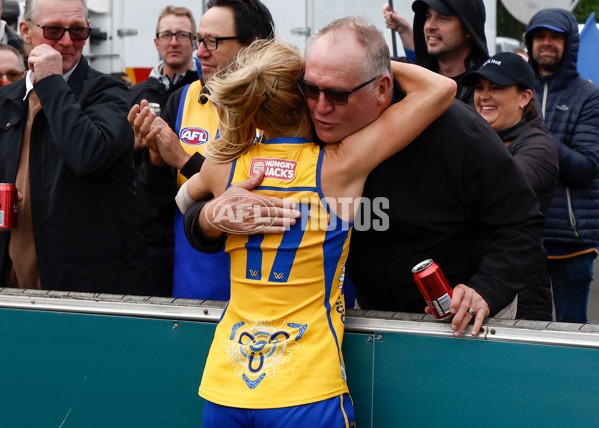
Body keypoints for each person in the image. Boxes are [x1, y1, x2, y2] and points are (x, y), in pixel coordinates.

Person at [184, 16, 546, 337]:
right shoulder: (304, 123)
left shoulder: (456, 132)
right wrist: (210, 220)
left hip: (463, 320)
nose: (321, 108)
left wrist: (486, 288)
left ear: (383, 89)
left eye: (339, 95)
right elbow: (199, 210)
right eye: (311, 89)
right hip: (364, 318)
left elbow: (521, 222)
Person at [170, 27, 455, 425]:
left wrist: (215, 213)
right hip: (305, 384)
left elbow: (183, 201)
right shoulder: (338, 165)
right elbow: (439, 89)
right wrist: (364, 66)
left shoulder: (225, 166)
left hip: (227, 381)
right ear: (301, 99)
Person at [128, 0, 275, 300]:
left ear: (253, 47)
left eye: (212, 42)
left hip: (264, 295)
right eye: (199, 40)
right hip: (192, 290)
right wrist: (155, 159)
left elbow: (262, 202)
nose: (199, 52)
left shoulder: (280, 111)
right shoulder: (182, 99)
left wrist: (184, 160)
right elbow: (155, 210)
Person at [0, 0, 149, 294]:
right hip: (14, 283)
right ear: (25, 32)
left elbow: (87, 155)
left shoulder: (112, 92)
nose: (67, 42)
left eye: (79, 31)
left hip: (86, 290)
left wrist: (52, 81)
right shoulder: (8, 100)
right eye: (54, 31)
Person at [463, 52, 559, 320]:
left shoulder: (540, 146)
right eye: (480, 88)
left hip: (521, 288)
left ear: (524, 97)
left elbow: (499, 189)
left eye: (497, 88)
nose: (484, 96)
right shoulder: (475, 137)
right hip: (475, 284)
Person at [525, 8, 599, 323]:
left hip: (571, 241)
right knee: (524, 334)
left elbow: (586, 167)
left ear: (569, 43)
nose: (546, 43)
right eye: (540, 36)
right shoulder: (513, 90)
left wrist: (536, 134)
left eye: (555, 36)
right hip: (523, 237)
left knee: (571, 341)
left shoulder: (589, 95)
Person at [129, 5, 201, 297]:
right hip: (148, 230)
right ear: (156, 42)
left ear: (195, 41)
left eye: (182, 34)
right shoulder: (135, 94)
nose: (174, 41)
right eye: (167, 34)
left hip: (195, 225)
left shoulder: (205, 93)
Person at [383, 0, 489, 105]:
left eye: (443, 18)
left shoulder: (490, 85)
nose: (430, 26)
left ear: (468, 29)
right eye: (428, 17)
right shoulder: (413, 83)